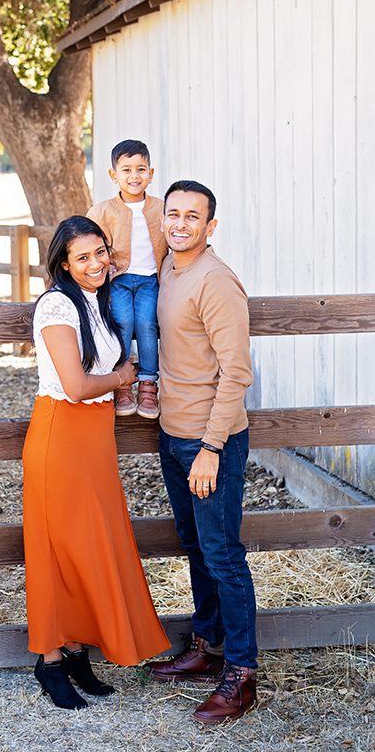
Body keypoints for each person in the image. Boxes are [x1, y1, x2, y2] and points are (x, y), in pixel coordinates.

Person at [23, 215, 170, 710]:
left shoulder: (101, 301)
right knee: (57, 552)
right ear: (64, 264)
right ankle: (49, 659)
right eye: (82, 257)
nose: (95, 263)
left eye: (100, 252)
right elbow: (76, 385)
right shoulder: (57, 305)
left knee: (88, 546)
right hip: (61, 436)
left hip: (94, 440)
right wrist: (125, 376)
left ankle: (76, 650)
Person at [145, 180, 257, 724]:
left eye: (193, 216)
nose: (181, 223)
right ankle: (207, 646)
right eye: (174, 213)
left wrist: (211, 447)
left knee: (223, 555)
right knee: (194, 545)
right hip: (173, 435)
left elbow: (237, 372)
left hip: (211, 441)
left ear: (211, 226)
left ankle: (242, 674)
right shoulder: (168, 266)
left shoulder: (215, 281)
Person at [87, 139, 167, 420]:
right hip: (118, 280)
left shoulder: (161, 209)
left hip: (150, 280)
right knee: (122, 322)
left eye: (141, 169)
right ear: (114, 175)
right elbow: (89, 242)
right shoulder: (102, 211)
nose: (134, 176)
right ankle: (122, 383)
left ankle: (148, 385)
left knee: (146, 324)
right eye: (127, 170)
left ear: (151, 173)